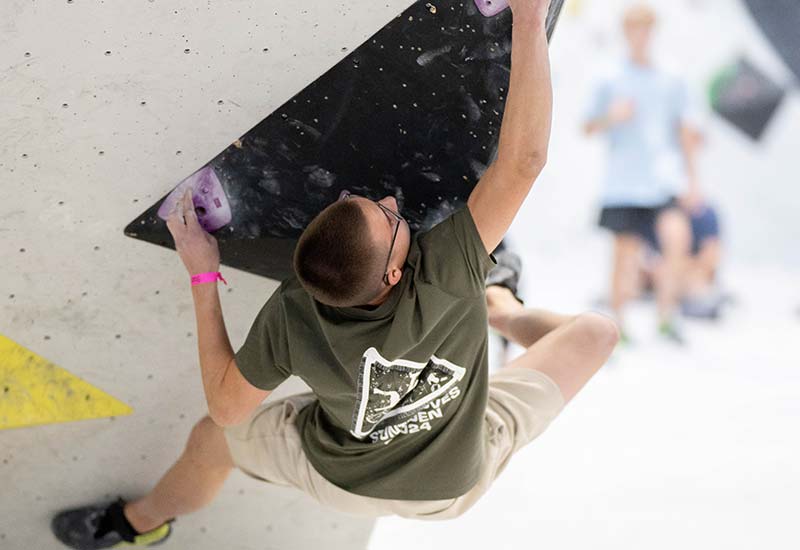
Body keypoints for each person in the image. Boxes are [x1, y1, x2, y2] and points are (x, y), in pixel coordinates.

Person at [52, 2, 619, 548]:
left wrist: (203, 274)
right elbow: (523, 162)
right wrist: (525, 15)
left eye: (377, 205)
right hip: (454, 483)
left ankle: (135, 525)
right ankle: (500, 308)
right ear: (397, 274)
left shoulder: (294, 312)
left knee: (211, 441)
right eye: (393, 218)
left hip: (341, 477)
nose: (396, 201)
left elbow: (227, 409)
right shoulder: (445, 272)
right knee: (596, 335)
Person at [584, 4, 701, 344]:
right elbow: (588, 126)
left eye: (646, 29)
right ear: (626, 32)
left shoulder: (671, 76)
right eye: (635, 29)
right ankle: (618, 325)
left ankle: (667, 315)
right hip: (624, 181)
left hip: (664, 177)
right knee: (625, 254)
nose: (641, 35)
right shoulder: (609, 75)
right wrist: (612, 116)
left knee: (676, 238)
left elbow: (686, 131)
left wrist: (694, 180)